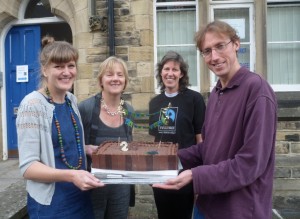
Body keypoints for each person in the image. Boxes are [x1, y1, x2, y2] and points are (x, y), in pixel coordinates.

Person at [153, 20, 277, 219]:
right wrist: (168, 159)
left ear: (236, 44)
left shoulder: (257, 90)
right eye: (207, 51)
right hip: (207, 206)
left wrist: (195, 175)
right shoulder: (217, 92)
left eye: (220, 46)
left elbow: (250, 163)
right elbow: (208, 149)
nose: (215, 57)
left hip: (239, 211)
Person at [16, 36, 104, 219]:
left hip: (80, 198)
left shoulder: (71, 100)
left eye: (71, 66)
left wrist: (83, 148)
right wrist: (72, 176)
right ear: (44, 70)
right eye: (58, 66)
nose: (66, 72)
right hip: (52, 205)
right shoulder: (32, 105)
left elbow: (62, 142)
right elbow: (28, 167)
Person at [149, 51, 206, 219]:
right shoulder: (155, 102)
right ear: (161, 72)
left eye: (175, 69)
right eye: (166, 69)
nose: (170, 73)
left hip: (185, 171)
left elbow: (200, 139)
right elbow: (155, 139)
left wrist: (199, 174)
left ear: (181, 73)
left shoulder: (194, 99)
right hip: (161, 170)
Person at [78, 56, 134, 219]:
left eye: (120, 74)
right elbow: (70, 149)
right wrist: (85, 148)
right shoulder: (86, 108)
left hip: (121, 188)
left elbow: (127, 145)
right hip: (92, 188)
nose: (115, 78)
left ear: (125, 81)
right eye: (109, 74)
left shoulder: (129, 111)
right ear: (101, 80)